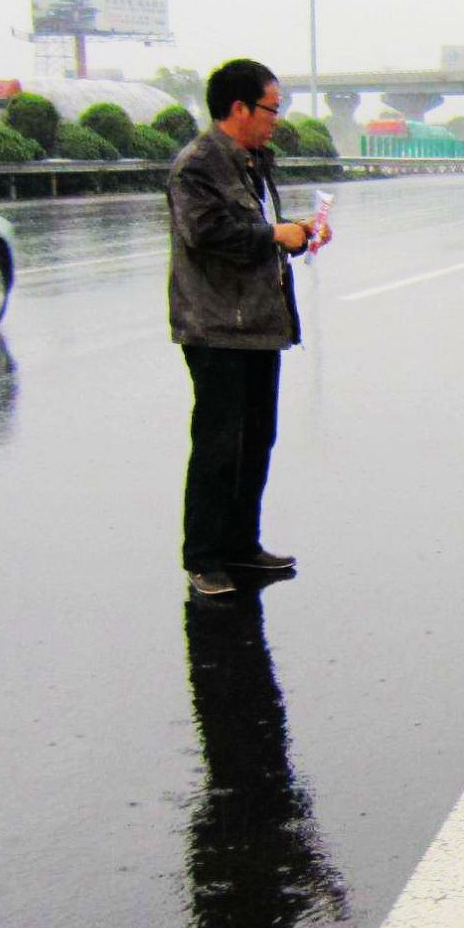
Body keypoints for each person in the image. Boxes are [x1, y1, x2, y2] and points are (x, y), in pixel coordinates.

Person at [167, 59, 327, 596]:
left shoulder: (253, 161)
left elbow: (258, 228)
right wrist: (275, 236)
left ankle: (241, 545)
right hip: (216, 328)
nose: (275, 119)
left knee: (258, 439)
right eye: (270, 108)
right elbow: (209, 232)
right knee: (218, 444)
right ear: (239, 108)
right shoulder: (198, 165)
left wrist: (296, 233)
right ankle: (205, 558)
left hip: (260, 323)